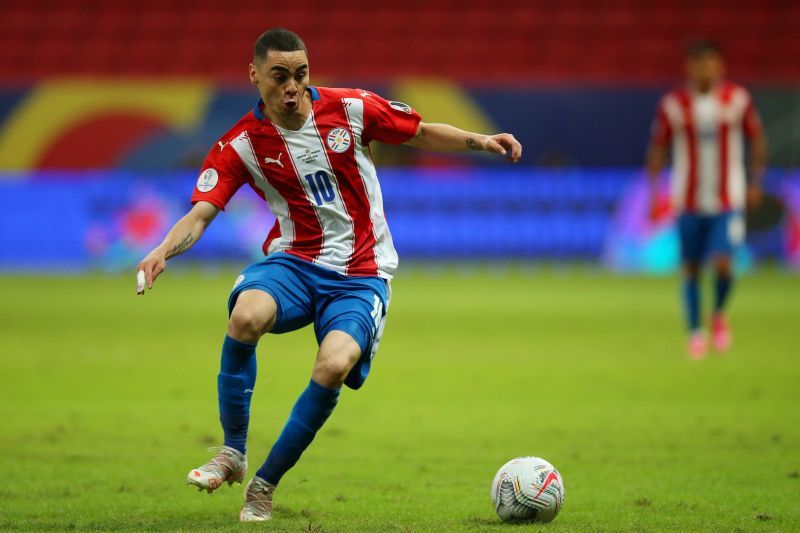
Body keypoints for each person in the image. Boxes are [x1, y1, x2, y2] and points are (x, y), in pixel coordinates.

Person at [135, 28, 522, 522]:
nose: (292, 87)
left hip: (363, 273)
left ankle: (263, 486)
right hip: (295, 261)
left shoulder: (352, 108)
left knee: (333, 365)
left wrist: (481, 141)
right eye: (279, 77)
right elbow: (201, 213)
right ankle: (232, 452)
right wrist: (164, 249)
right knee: (247, 315)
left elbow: (421, 131)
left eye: (300, 74)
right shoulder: (240, 145)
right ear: (255, 75)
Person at [646, 40, 767, 359]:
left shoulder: (737, 100)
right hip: (687, 199)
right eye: (700, 63)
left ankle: (718, 314)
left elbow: (757, 140)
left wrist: (756, 181)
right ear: (690, 67)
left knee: (724, 264)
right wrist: (654, 190)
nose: (706, 69)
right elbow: (658, 148)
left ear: (720, 66)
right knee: (690, 268)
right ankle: (695, 332)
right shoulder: (673, 104)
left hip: (728, 198)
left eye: (712, 63)